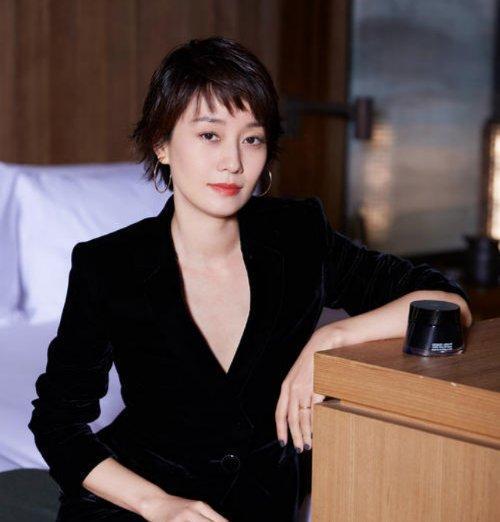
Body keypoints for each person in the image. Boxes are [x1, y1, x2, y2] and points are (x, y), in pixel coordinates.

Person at [28, 36, 472, 522]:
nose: (233, 162)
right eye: (209, 135)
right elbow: (57, 425)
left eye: (252, 139)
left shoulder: (298, 235)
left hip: (260, 506)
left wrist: (330, 340)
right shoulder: (108, 264)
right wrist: (160, 506)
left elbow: (446, 302)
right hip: (138, 504)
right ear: (162, 144)